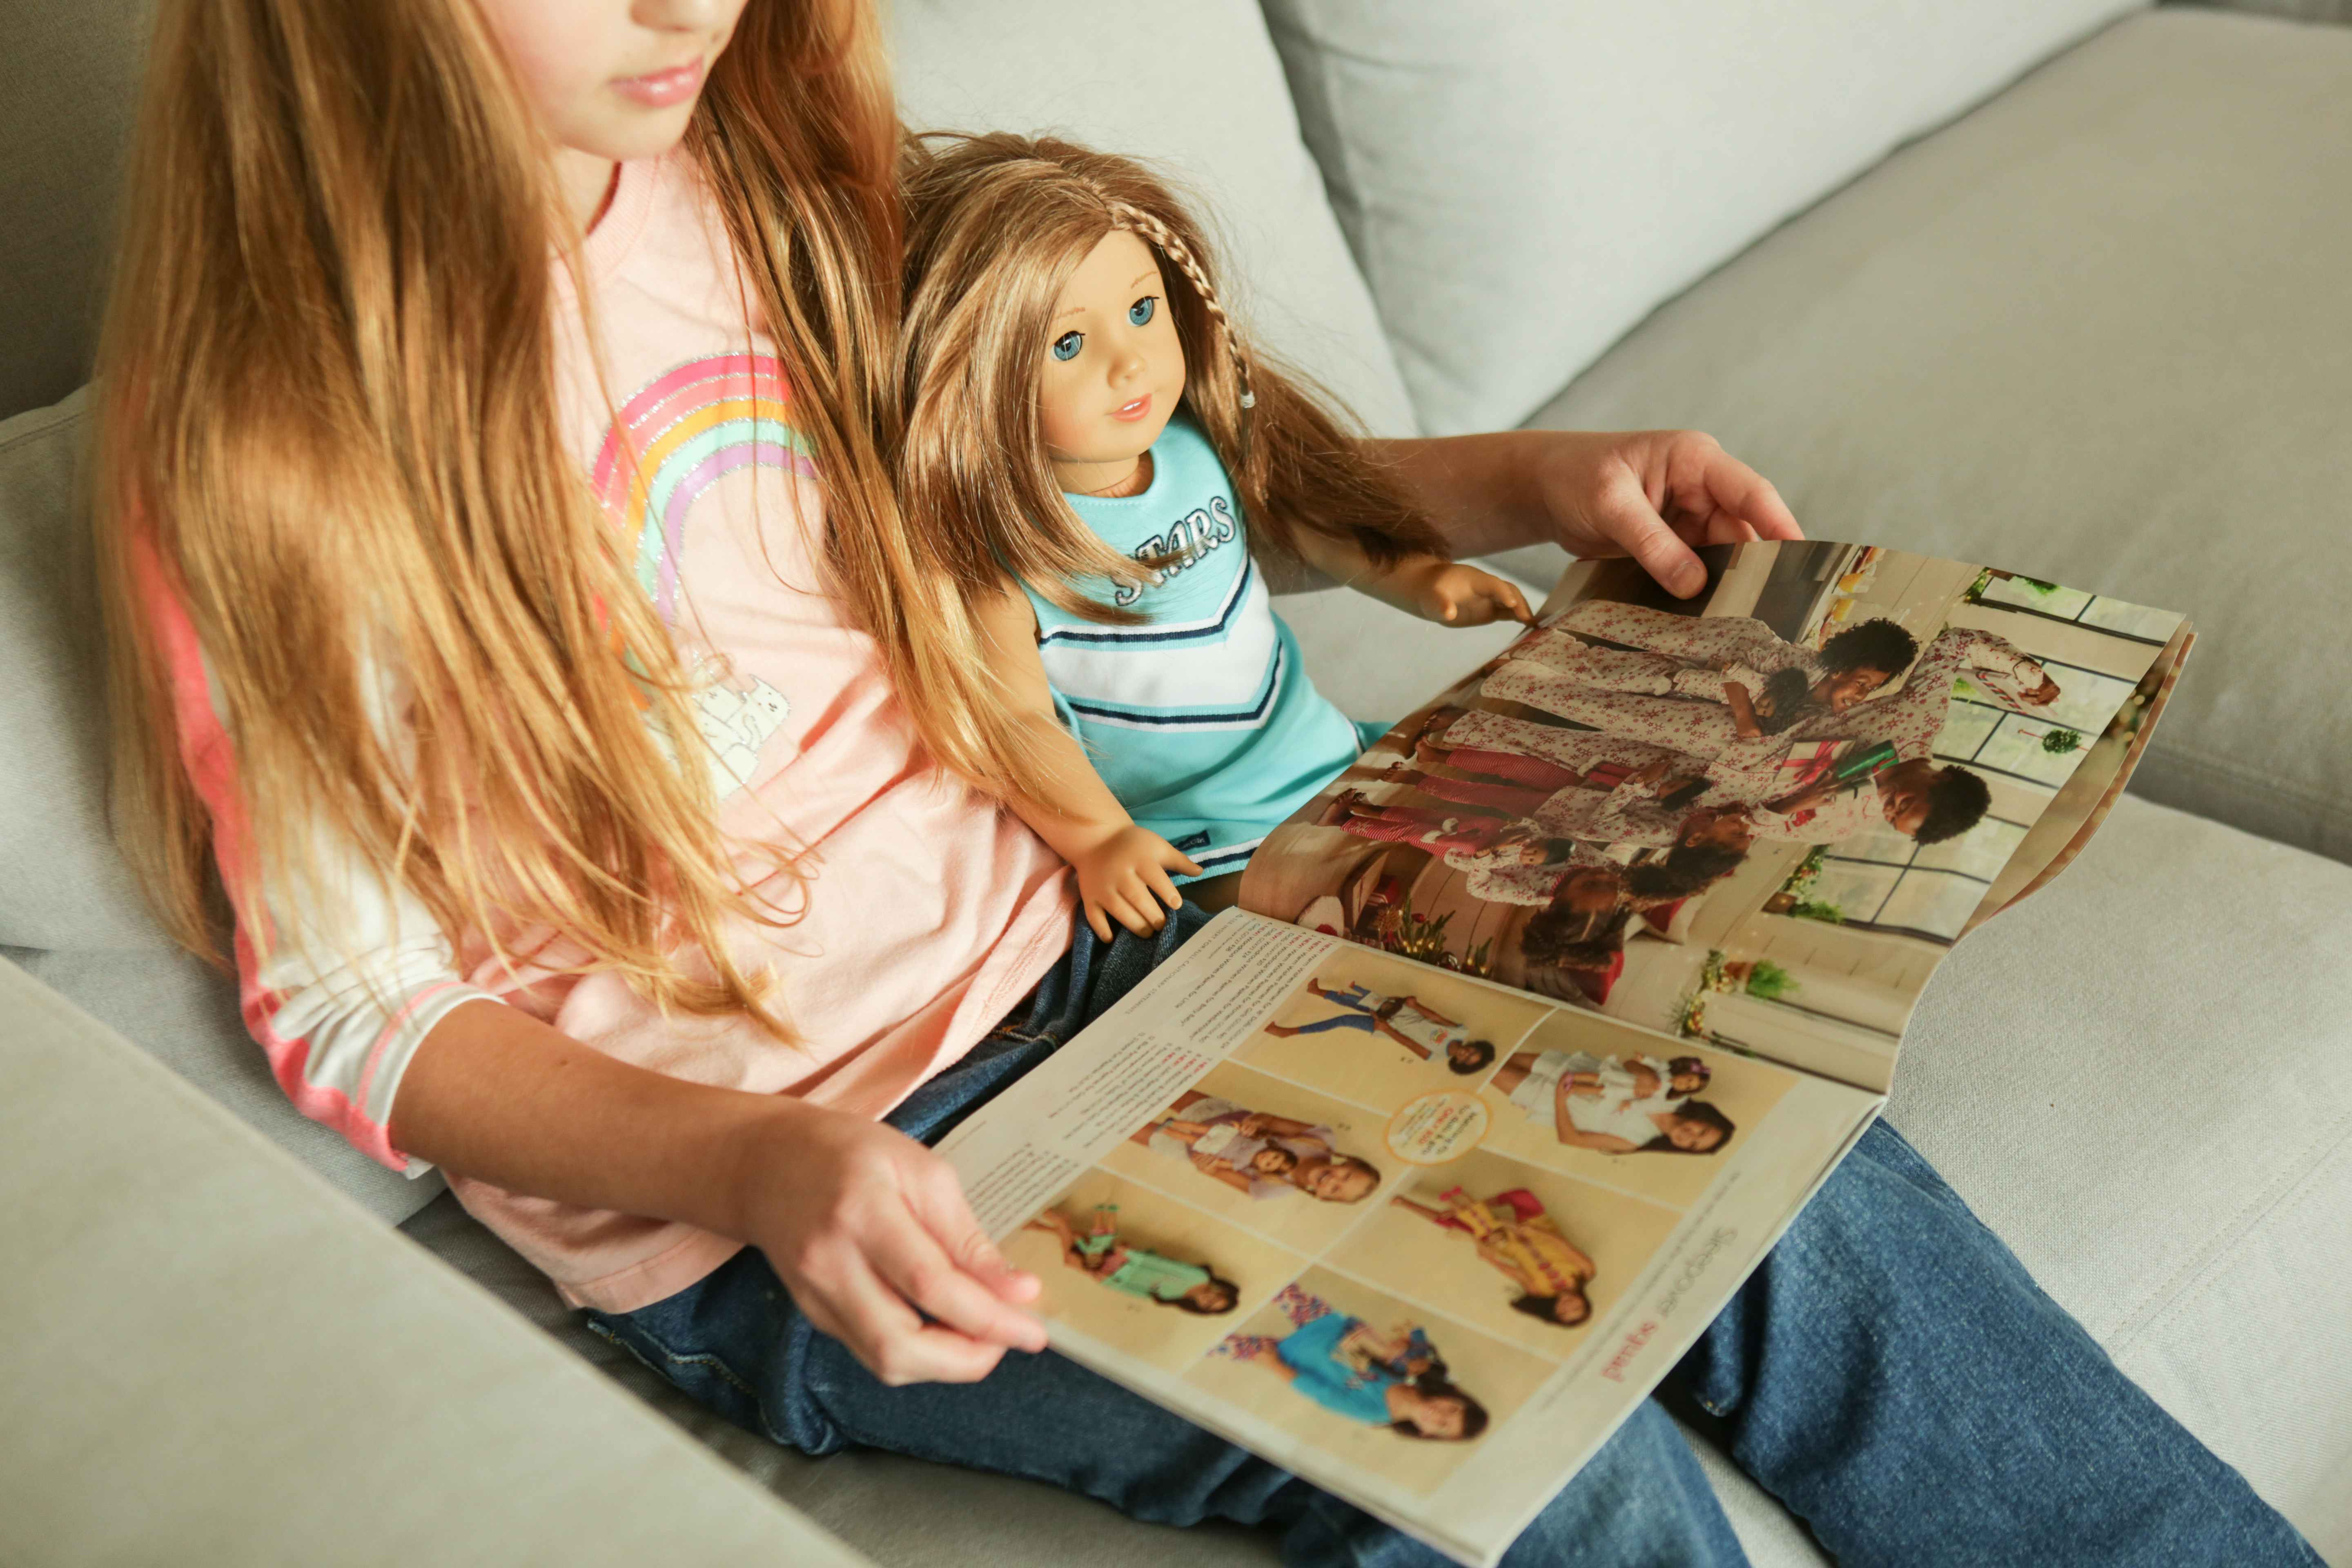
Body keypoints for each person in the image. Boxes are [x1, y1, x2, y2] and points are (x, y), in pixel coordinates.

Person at [90, 3, 2320, 1564]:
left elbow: (1125, 484)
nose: (696, 3)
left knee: (1780, 1173)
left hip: (1143, 933)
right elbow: (358, 1015)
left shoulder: (746, 192)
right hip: (805, 1176)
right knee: (1520, 1448)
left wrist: (1529, 481)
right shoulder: (262, 464)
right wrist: (769, 1169)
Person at [894, 133, 1532, 931]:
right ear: (974, 375)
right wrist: (1099, 840)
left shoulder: (1197, 441)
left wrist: (1420, 577)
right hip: (1204, 837)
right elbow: (1014, 721)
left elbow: (1313, 525)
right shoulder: (1004, 557)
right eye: (1068, 344)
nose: (1130, 364)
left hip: (1324, 753)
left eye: (1140, 310)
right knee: (1379, 925)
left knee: (1509, 850)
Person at [1214, 1286, 1489, 1441]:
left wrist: (1273, 1365)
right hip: (1325, 1325)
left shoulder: (1375, 1413)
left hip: (1288, 1359)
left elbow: (1323, 1394)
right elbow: (1405, 1344)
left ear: (1427, 1433)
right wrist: (1405, 1345)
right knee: (1272, 1280)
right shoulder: (1417, 1376)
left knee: (1215, 1343)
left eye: (1443, 1425)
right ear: (1452, 1396)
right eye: (1451, 1410)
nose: (1438, 1415)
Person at [1391, 1187, 1598, 1329]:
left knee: (1458, 1227)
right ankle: (1484, 1206)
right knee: (1522, 1196)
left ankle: (1407, 1204)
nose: (1568, 1305)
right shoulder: (1587, 1272)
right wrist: (1525, 1229)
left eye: (1564, 1312)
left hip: (1507, 1243)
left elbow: (1508, 1269)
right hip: (1537, 1228)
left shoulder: (1539, 1292)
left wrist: (1484, 1249)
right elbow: (1561, 1243)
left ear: (1555, 1313)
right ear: (1584, 1301)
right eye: (1577, 1307)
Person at [1133, 1090, 1382, 1202]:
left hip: (1187, 1147)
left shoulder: (1274, 1190)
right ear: (1349, 1162)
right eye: (1346, 1175)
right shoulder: (1320, 1142)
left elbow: (1220, 1173)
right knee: (1152, 1084)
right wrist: (1256, 1122)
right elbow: (1269, 1119)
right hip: (1220, 1116)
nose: (1332, 1182)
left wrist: (1206, 1169)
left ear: (1321, 1196)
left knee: (1122, 1121)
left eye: (1335, 1190)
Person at [1490, 1051, 1737, 1155]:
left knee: (1489, 1069)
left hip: (1545, 1099)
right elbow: (1629, 1066)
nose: (1689, 1137)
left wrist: (1559, 1101)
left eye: (1694, 1145)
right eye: (1701, 1131)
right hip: (1574, 1069)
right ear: (1703, 1118)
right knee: (1498, 1052)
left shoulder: (1635, 1141)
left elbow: (1571, 1139)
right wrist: (1643, 1073)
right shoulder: (1674, 1096)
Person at [1025, 1205, 1239, 1315]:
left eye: (1209, 1306)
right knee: (1074, 1257)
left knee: (1080, 1249)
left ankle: (1048, 1227)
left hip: (1116, 1277)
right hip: (1128, 1261)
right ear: (1220, 1289)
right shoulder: (1198, 1276)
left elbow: (1138, 1292)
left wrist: (1106, 1282)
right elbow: (1162, 1264)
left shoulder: (1175, 1299)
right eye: (1215, 1297)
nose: (1207, 1300)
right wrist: (1130, 1255)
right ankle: (1061, 1223)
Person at [1262, 978, 1497, 1075]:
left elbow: (1409, 1043)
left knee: (1343, 1020)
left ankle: (1287, 1033)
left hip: (1388, 1031)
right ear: (1473, 1046)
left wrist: (1384, 1028)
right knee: (1358, 1002)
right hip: (1402, 1014)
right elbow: (1435, 1018)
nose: (1466, 1054)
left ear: (1459, 1064)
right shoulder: (1461, 1032)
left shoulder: (1435, 1056)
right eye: (1472, 1052)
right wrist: (1415, 1005)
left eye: (1466, 1060)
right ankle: (1318, 991)